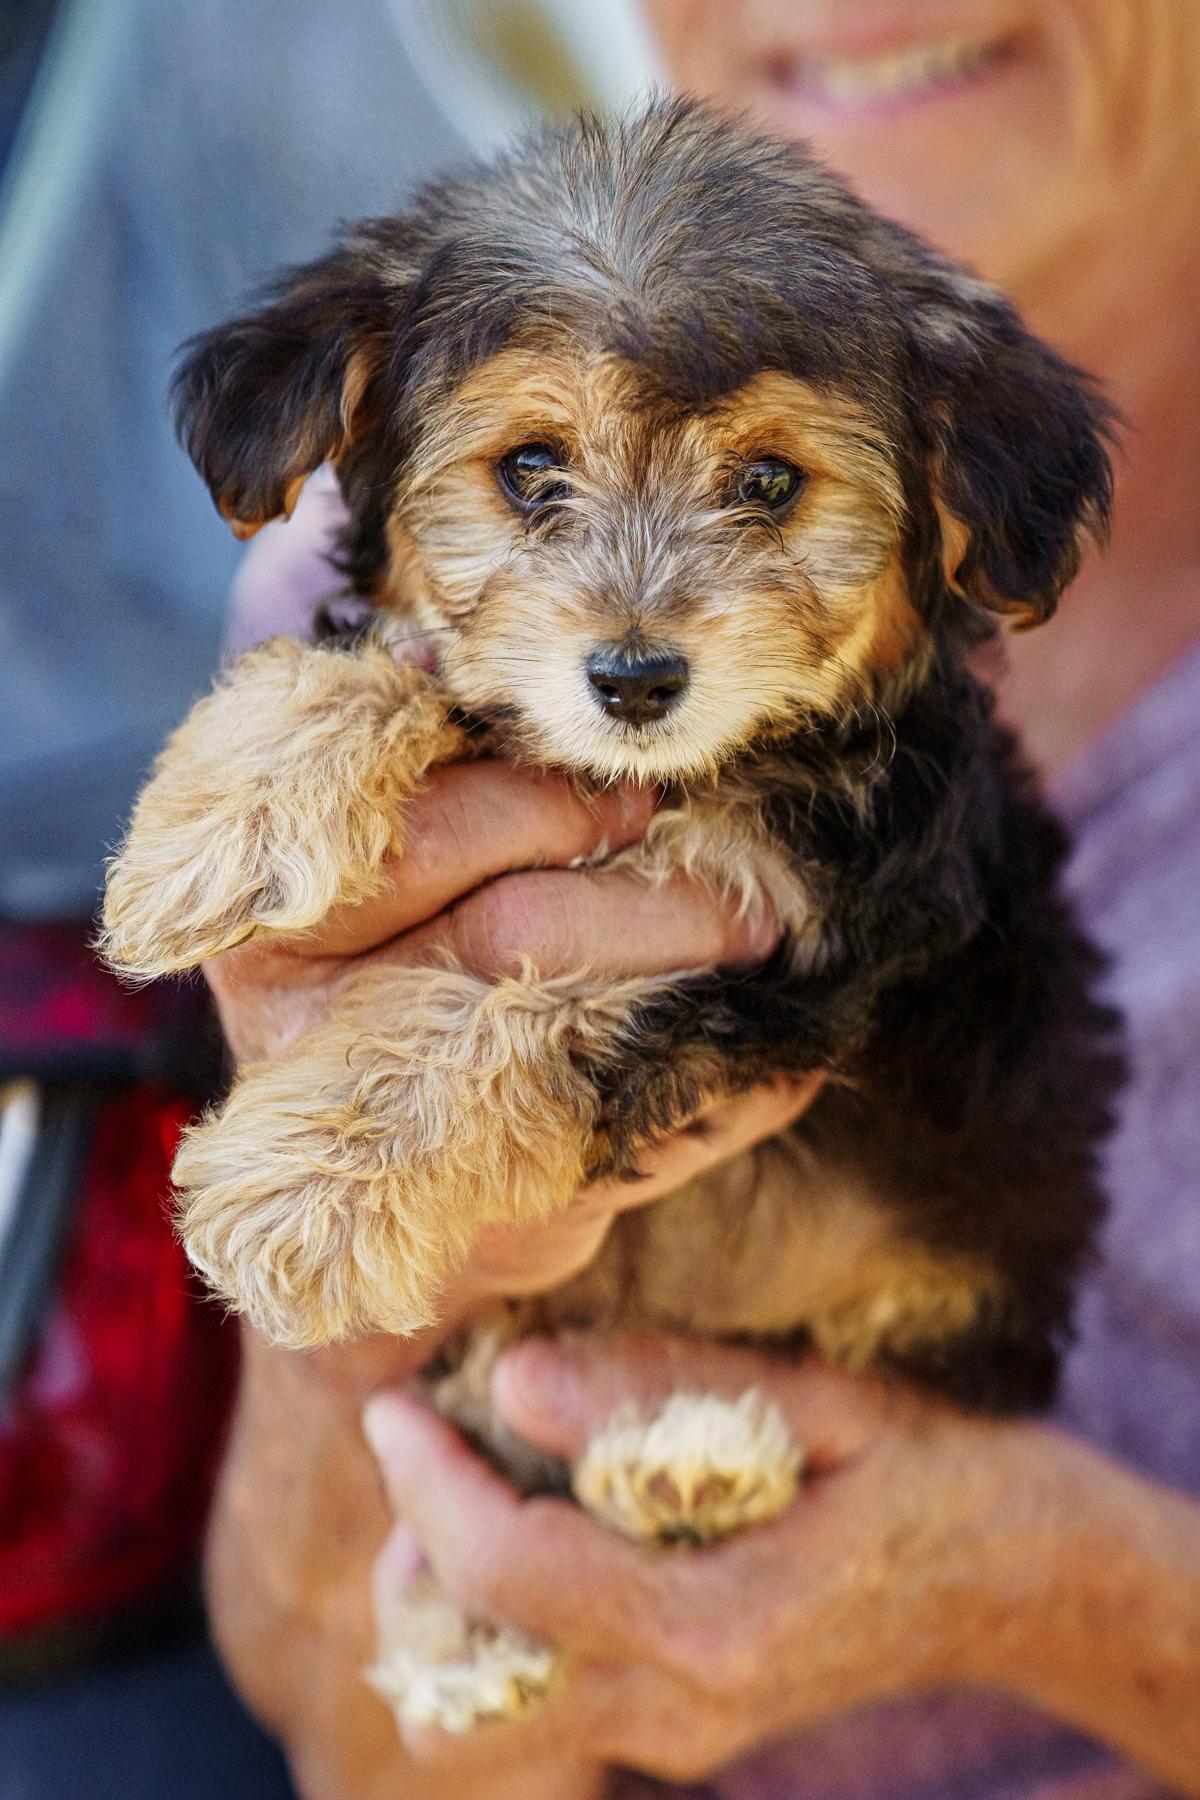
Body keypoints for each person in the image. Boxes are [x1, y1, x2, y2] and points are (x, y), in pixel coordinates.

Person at [202, 4, 1200, 1798]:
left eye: (763, 482)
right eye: (532, 481)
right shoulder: (368, 587)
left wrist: (1041, 1586)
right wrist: (381, 1292)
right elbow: (342, 1721)